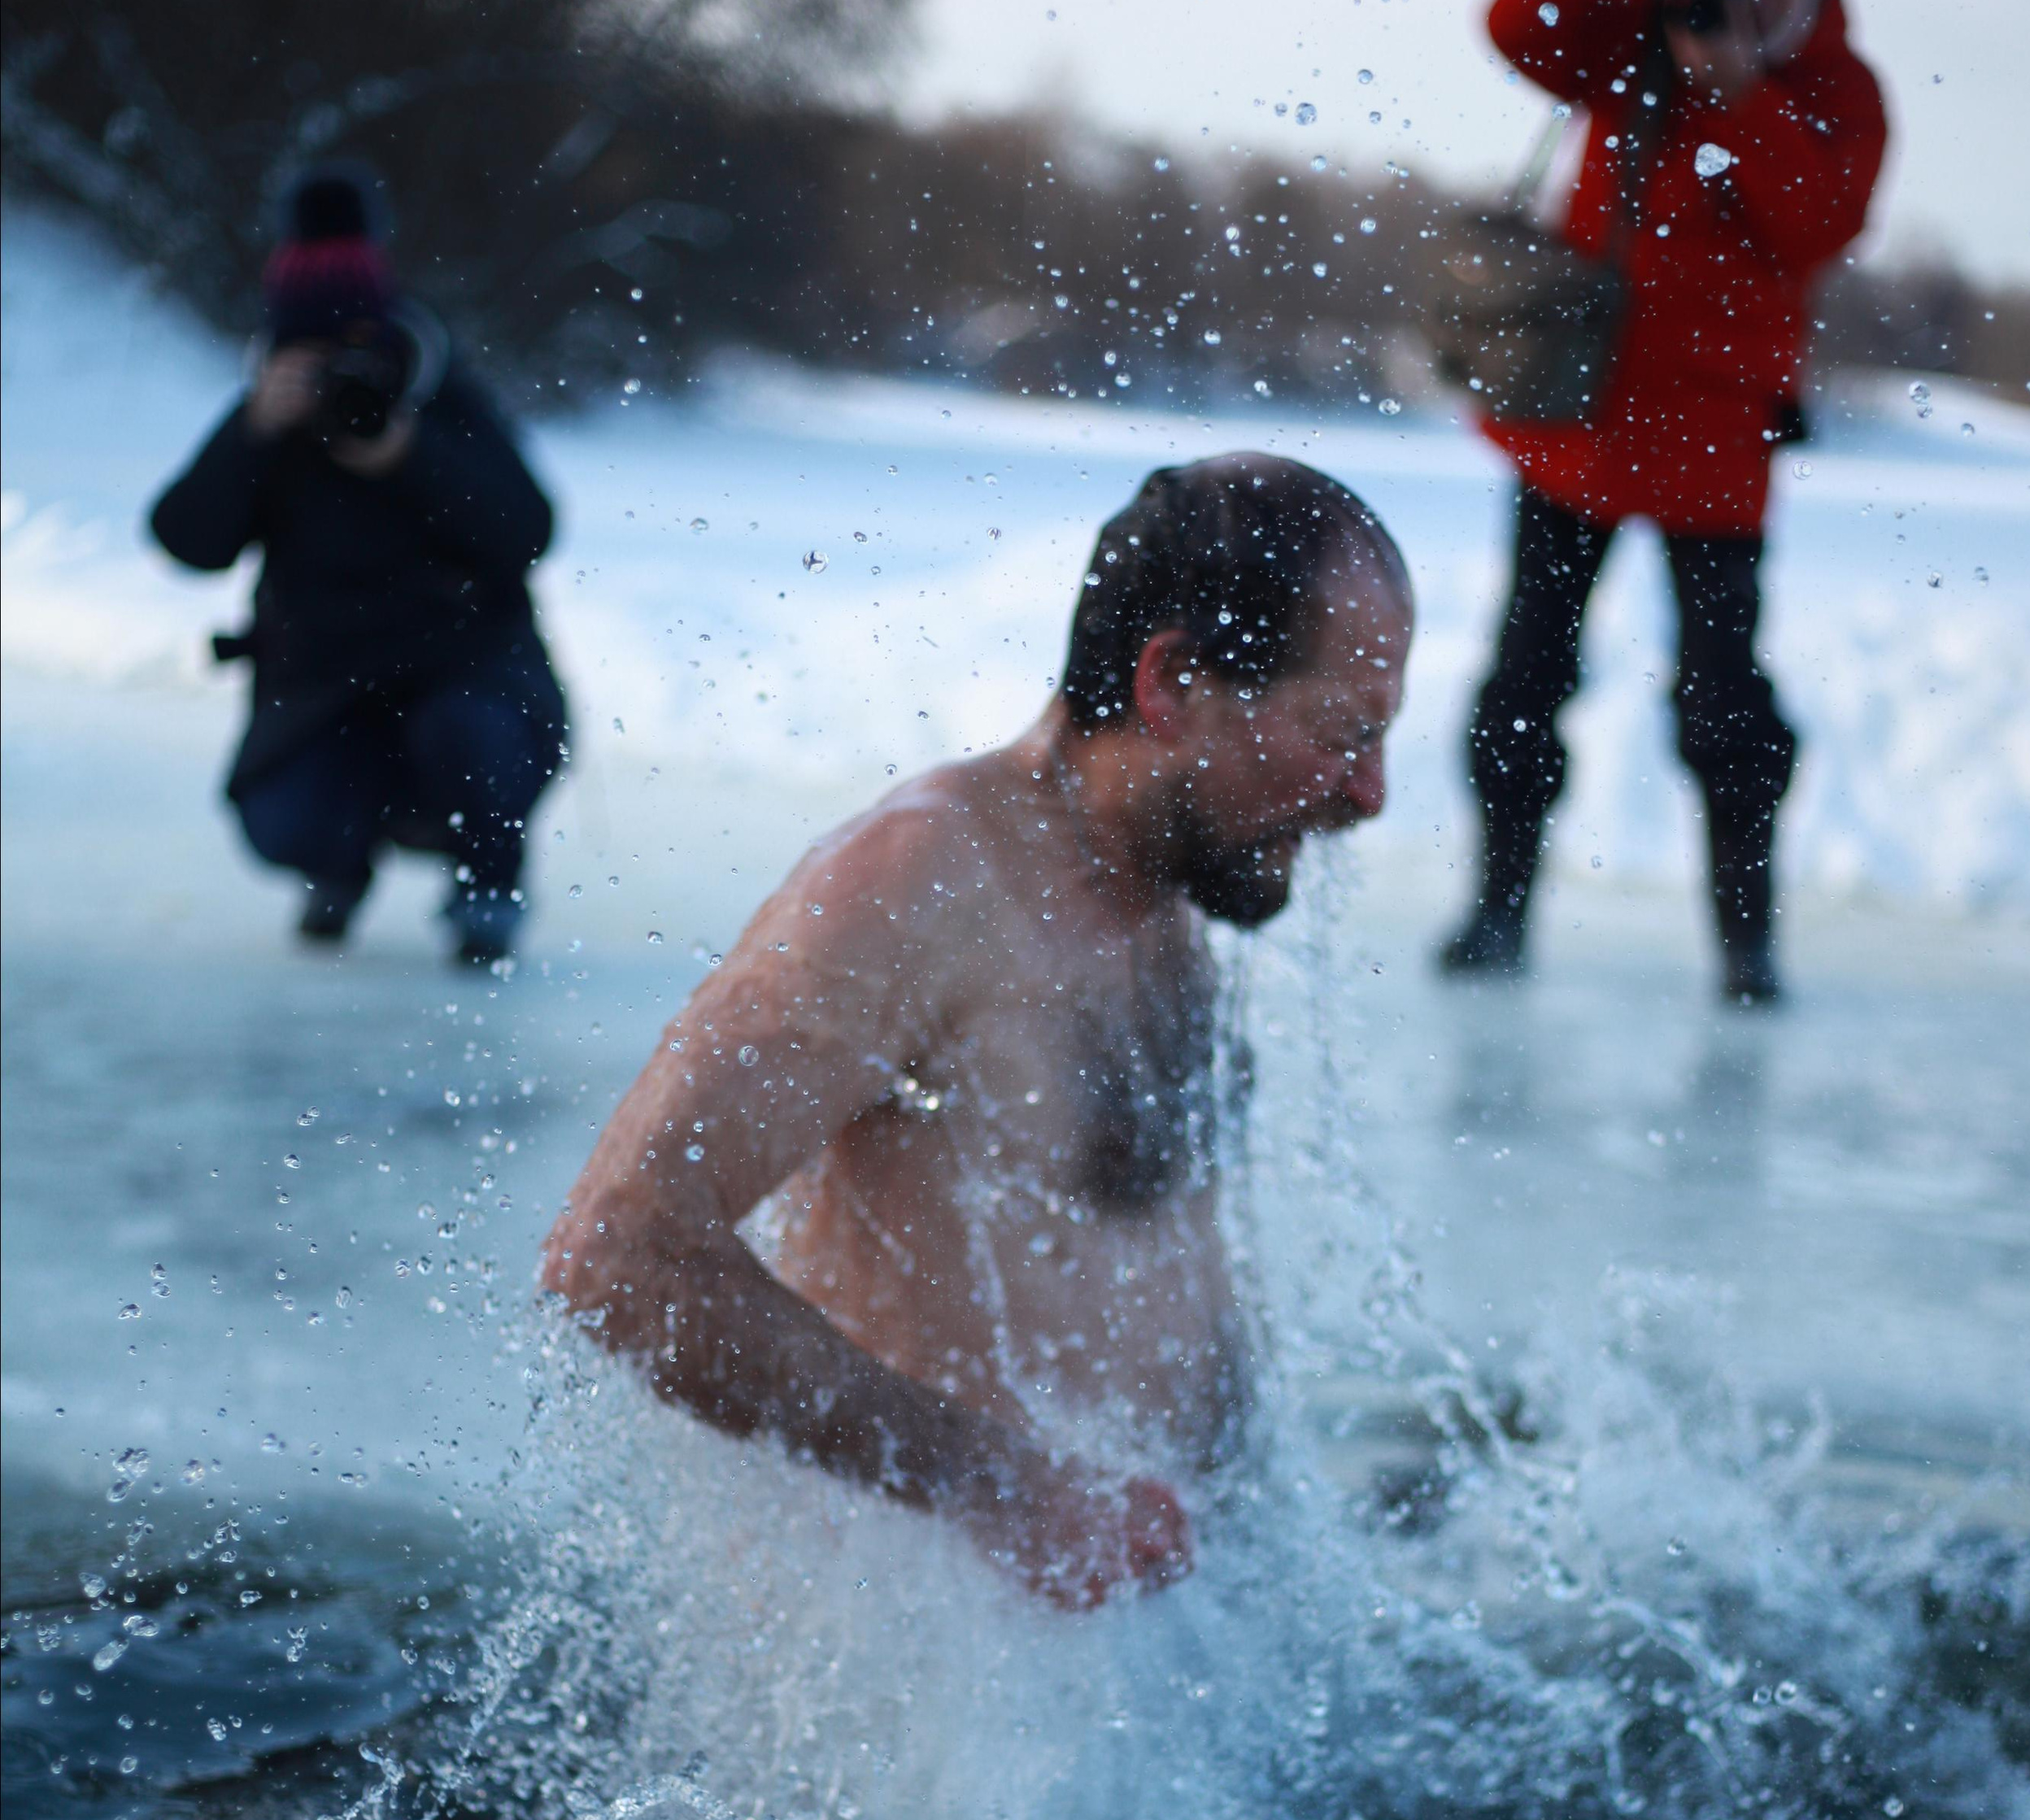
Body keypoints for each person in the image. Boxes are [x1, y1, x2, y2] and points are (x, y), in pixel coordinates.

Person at [544, 455, 1412, 1608]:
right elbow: (621, 1252)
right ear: (1171, 684)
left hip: (1150, 1654)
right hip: (924, 1692)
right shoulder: (922, 882)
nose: (1371, 793)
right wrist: (1000, 1488)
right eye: (1343, 733)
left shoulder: (1161, 885)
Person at [1440, 0, 1888, 1003]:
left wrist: (1744, 96)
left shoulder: (1839, 90)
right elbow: (1513, 23)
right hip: (1575, 430)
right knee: (1526, 683)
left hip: (1718, 454)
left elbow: (1819, 226)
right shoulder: (1638, 41)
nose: (1757, 6)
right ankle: (1497, 919)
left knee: (1727, 711)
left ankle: (1747, 951)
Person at [147, 167, 567, 965]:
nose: (340, 380)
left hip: (467, 686)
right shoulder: (272, 425)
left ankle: (490, 881)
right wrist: (254, 431)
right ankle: (333, 871)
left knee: (473, 742)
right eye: (315, 357)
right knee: (286, 819)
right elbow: (186, 542)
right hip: (326, 694)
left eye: (351, 354)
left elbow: (529, 529)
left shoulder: (440, 396)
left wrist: (408, 454)